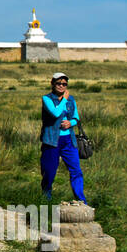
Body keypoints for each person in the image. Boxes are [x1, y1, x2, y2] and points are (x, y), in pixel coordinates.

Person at [40, 71, 87, 205]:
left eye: (64, 84)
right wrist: (64, 100)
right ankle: (46, 197)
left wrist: (70, 123)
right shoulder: (47, 99)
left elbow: (76, 117)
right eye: (58, 83)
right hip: (51, 140)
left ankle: (81, 200)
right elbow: (55, 113)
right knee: (49, 172)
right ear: (52, 84)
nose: (61, 86)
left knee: (76, 170)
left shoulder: (71, 100)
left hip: (68, 140)